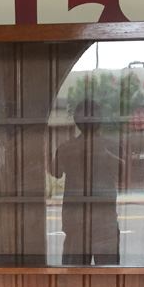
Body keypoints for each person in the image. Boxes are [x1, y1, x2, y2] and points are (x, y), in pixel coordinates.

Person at [51, 98, 123, 266]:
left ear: (76, 122)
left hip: (75, 222)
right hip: (104, 221)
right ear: (100, 121)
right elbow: (124, 174)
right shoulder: (112, 147)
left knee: (74, 276)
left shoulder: (66, 148)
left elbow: (55, 173)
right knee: (107, 277)